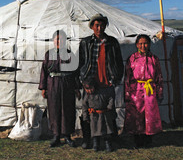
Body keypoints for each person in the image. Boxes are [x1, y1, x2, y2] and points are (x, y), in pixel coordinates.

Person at [78, 14, 124, 151]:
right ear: (92, 27)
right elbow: (81, 64)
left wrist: (115, 80)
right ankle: (88, 140)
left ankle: (109, 140)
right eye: (96, 25)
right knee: (88, 113)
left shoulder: (112, 42)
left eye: (102, 25)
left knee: (108, 113)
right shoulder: (85, 42)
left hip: (107, 83)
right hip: (90, 84)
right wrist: (85, 82)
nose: (99, 28)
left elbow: (119, 63)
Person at [39, 30, 81, 147]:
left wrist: (77, 88)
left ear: (65, 41)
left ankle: (67, 135)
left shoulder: (70, 54)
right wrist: (43, 88)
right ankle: (56, 135)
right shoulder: (49, 54)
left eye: (61, 39)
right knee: (54, 109)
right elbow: (44, 71)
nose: (59, 41)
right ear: (53, 41)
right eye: (57, 39)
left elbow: (75, 73)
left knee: (67, 109)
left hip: (67, 84)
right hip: (53, 84)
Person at [123, 34, 163, 148]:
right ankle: (138, 140)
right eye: (140, 43)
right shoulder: (132, 59)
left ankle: (148, 140)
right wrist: (127, 93)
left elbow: (159, 76)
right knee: (137, 116)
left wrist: (160, 92)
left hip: (150, 90)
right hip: (135, 91)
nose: (143, 46)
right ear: (136, 45)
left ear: (149, 44)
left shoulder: (154, 59)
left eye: (145, 43)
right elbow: (127, 78)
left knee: (150, 115)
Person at [81, 77, 117, 152]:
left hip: (104, 114)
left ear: (94, 86)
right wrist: (85, 117)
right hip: (93, 115)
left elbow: (110, 98)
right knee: (94, 130)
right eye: (87, 89)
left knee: (106, 130)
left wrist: (110, 106)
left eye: (91, 88)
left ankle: (108, 144)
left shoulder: (103, 91)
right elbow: (84, 106)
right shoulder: (87, 95)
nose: (89, 91)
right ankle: (96, 144)